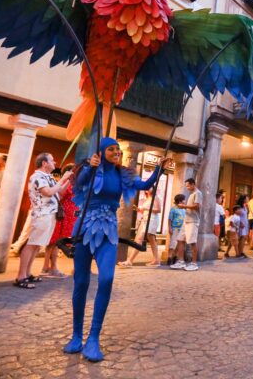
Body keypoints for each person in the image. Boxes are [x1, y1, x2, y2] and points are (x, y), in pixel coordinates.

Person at [64, 137, 166, 361]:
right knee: (81, 281)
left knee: (107, 279)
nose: (116, 152)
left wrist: (159, 168)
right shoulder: (88, 168)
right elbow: (78, 183)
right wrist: (90, 168)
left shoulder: (123, 174)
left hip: (108, 230)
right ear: (101, 152)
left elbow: (145, 186)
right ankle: (76, 335)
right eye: (111, 149)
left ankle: (93, 338)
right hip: (85, 227)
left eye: (118, 149)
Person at [15, 152, 72, 289]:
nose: (55, 163)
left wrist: (68, 180)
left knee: (37, 245)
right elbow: (48, 192)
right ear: (44, 163)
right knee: (31, 244)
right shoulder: (37, 177)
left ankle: (27, 273)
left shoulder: (48, 177)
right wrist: (62, 178)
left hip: (50, 214)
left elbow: (60, 193)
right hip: (42, 214)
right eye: (52, 160)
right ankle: (21, 276)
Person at [43, 164, 79, 277]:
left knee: (70, 241)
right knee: (55, 241)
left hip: (73, 216)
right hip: (64, 215)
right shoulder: (64, 183)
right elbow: (61, 195)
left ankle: (75, 268)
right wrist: (68, 179)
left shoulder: (75, 183)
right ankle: (48, 267)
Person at [121, 189, 162, 267]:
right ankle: (156, 260)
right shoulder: (147, 199)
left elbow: (158, 210)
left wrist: (146, 209)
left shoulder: (155, 197)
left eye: (149, 188)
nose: (148, 189)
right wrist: (139, 210)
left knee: (140, 239)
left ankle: (130, 260)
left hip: (152, 220)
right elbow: (145, 211)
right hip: (146, 219)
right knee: (152, 240)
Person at [171, 178, 201, 271]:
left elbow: (197, 206)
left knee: (192, 242)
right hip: (186, 221)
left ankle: (194, 263)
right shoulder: (192, 194)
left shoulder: (198, 193)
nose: (187, 188)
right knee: (180, 240)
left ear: (193, 184)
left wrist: (184, 206)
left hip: (193, 221)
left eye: (188, 186)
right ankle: (181, 261)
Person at [167, 194, 186, 265]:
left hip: (182, 228)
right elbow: (170, 219)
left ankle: (175, 257)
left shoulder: (184, 209)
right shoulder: (173, 209)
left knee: (179, 244)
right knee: (173, 243)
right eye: (184, 199)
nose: (185, 201)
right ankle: (169, 257)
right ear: (180, 200)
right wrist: (169, 228)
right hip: (175, 228)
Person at [236, 194, 250, 258]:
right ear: (244, 199)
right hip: (241, 224)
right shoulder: (239, 207)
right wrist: (241, 222)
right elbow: (237, 215)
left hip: (245, 224)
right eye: (247, 198)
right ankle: (240, 252)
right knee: (242, 237)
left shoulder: (245, 206)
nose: (248, 199)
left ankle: (240, 251)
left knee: (243, 238)